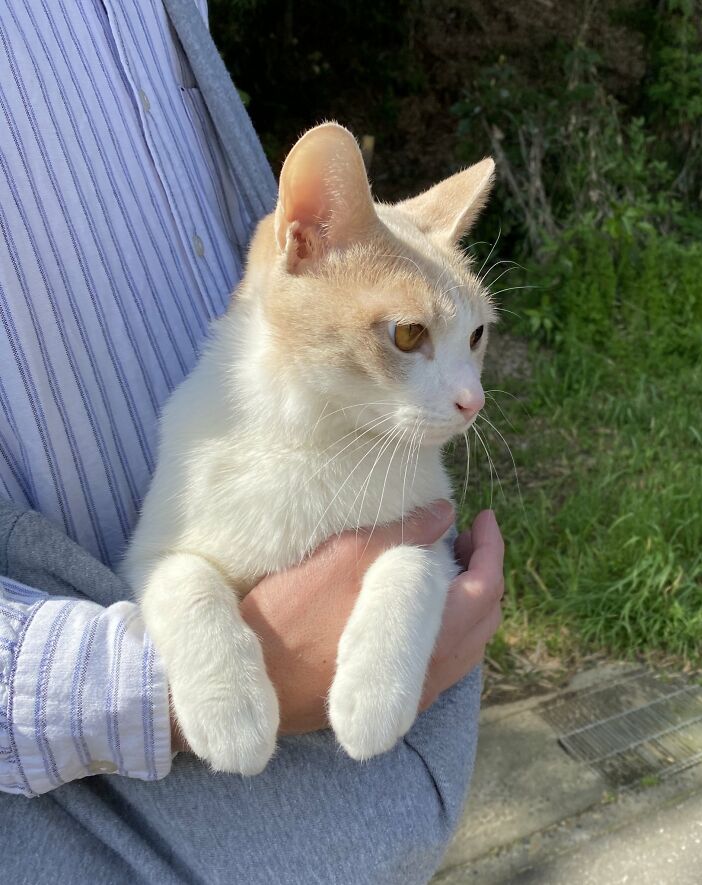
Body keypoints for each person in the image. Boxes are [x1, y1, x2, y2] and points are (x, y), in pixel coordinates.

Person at [0, 1, 504, 882]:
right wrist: (183, 676)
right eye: (415, 338)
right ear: (303, 240)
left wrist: (403, 589)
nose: (470, 398)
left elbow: (420, 539)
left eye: (474, 339)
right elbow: (170, 560)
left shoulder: (389, 431)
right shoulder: (209, 434)